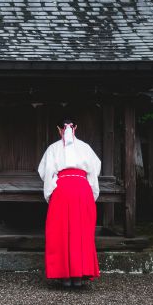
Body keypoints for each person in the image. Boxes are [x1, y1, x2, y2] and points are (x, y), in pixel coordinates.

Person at [37, 116, 101, 288]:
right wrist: (92, 194)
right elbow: (94, 173)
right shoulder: (86, 148)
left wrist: (50, 194)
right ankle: (79, 277)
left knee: (60, 232)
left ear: (59, 129)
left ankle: (64, 277)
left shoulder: (53, 148)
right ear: (76, 128)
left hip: (62, 190)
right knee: (82, 232)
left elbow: (47, 173)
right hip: (83, 189)